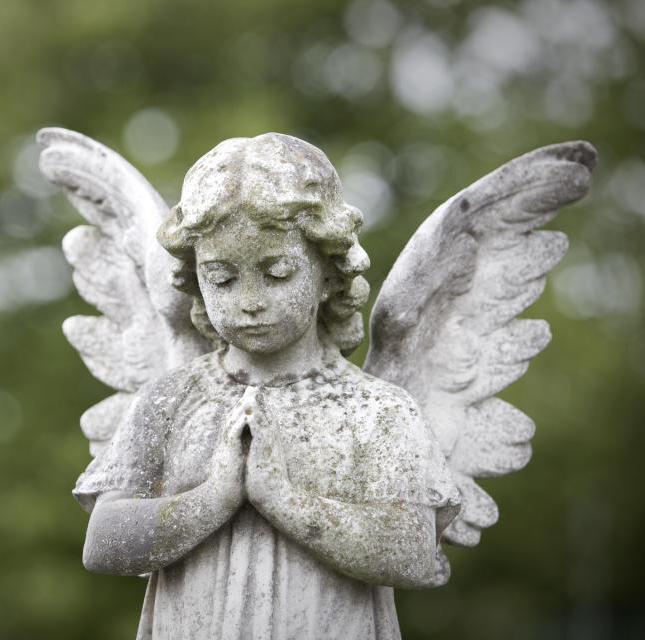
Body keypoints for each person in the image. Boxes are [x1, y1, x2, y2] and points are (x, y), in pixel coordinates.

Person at [73, 133, 461, 640]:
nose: (249, 301)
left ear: (326, 273)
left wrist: (283, 499)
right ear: (196, 278)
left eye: (277, 273)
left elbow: (411, 552)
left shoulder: (375, 408)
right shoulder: (171, 400)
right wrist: (212, 499)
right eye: (222, 278)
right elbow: (103, 543)